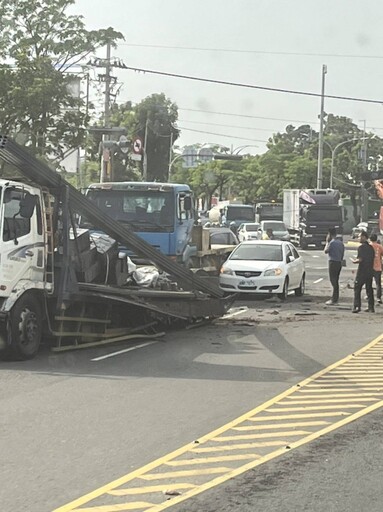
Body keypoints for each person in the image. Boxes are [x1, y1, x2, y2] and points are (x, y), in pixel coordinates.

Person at [352, 231, 375, 313]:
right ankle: (371, 307)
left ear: (364, 237)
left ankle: (357, 306)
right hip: (370, 270)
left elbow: (360, 259)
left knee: (357, 288)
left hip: (362, 271)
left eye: (360, 236)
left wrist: (354, 261)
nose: (358, 238)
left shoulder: (361, 248)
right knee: (369, 289)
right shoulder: (371, 248)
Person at [324, 228, 345, 305]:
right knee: (336, 280)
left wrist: (327, 242)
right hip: (339, 262)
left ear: (330, 234)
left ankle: (334, 299)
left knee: (333, 281)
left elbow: (326, 251)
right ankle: (335, 298)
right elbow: (342, 253)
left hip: (332, 262)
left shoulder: (331, 243)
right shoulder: (340, 243)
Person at [369, 234, 383, 305]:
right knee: (378, 284)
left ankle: (369, 295)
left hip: (370, 267)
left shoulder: (369, 246)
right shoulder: (379, 246)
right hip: (378, 267)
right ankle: (378, 297)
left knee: (369, 283)